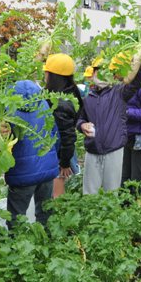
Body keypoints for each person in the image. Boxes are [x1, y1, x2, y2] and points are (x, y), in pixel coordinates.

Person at [77, 52, 141, 194]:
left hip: (113, 149)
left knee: (111, 192)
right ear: (93, 73)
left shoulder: (119, 92)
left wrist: (138, 62)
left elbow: (135, 83)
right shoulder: (88, 96)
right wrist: (82, 125)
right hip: (92, 149)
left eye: (106, 71)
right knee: (89, 193)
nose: (101, 75)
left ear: (113, 75)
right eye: (98, 71)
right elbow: (80, 118)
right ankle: (89, 216)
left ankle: (111, 216)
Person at [5, 80, 58, 227]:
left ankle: (17, 247)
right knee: (45, 213)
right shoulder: (43, 103)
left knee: (16, 217)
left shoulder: (8, 109)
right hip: (47, 169)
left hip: (21, 173)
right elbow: (55, 133)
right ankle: (46, 243)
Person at [42, 53, 83, 197]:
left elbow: (67, 135)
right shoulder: (70, 92)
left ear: (52, 75)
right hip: (58, 153)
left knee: (56, 197)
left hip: (58, 157)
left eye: (46, 72)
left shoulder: (59, 102)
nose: (44, 75)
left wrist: (64, 163)